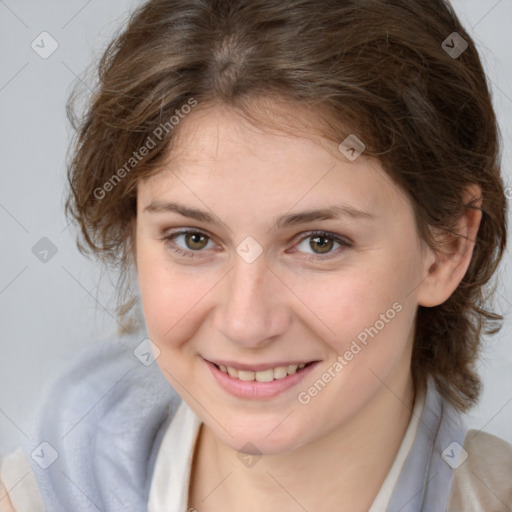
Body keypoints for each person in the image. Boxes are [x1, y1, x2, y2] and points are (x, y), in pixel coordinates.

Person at [1, 0, 511, 510]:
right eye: (193, 239)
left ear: (446, 249)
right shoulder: (48, 482)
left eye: (320, 242)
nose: (246, 324)